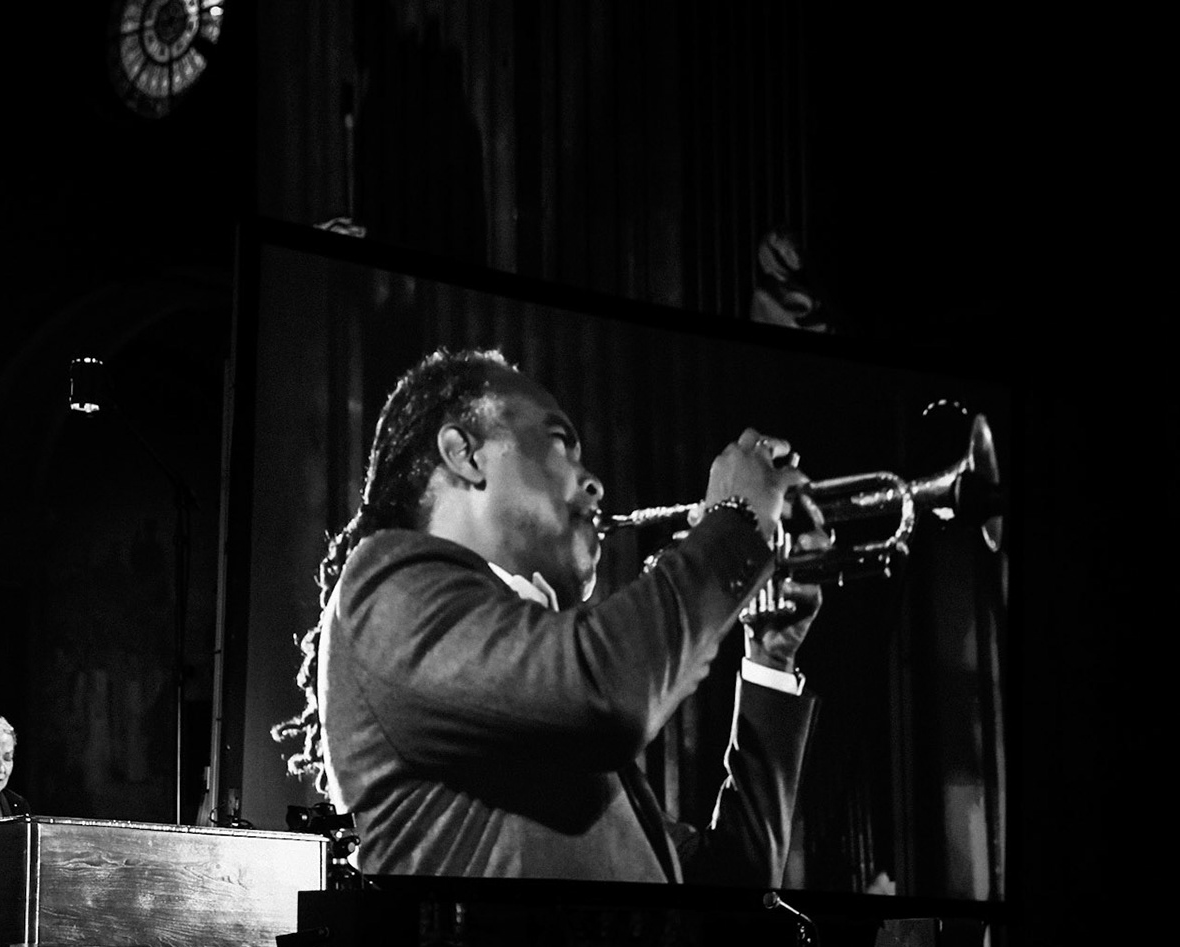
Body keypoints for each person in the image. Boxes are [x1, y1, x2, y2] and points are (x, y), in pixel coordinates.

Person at [274, 347, 824, 885]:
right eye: (560, 442)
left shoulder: (534, 695)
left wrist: (769, 656)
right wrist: (736, 522)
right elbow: (605, 692)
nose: (595, 483)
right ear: (465, 455)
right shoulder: (385, 585)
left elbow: (732, 886)